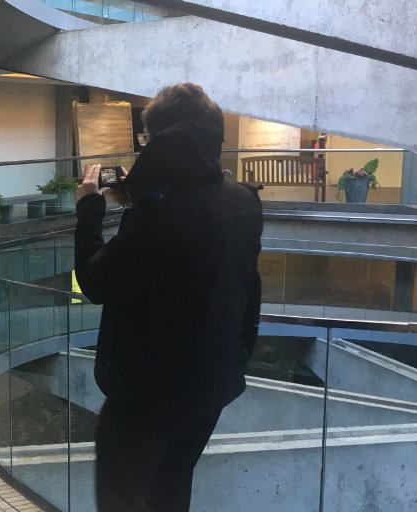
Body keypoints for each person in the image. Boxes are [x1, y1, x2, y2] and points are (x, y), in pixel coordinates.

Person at [73, 83, 263, 511]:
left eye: (147, 138)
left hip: (146, 393)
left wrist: (89, 209)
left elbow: (95, 281)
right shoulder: (243, 202)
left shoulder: (160, 218)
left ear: (161, 140)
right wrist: (140, 198)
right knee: (171, 492)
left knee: (122, 501)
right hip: (210, 385)